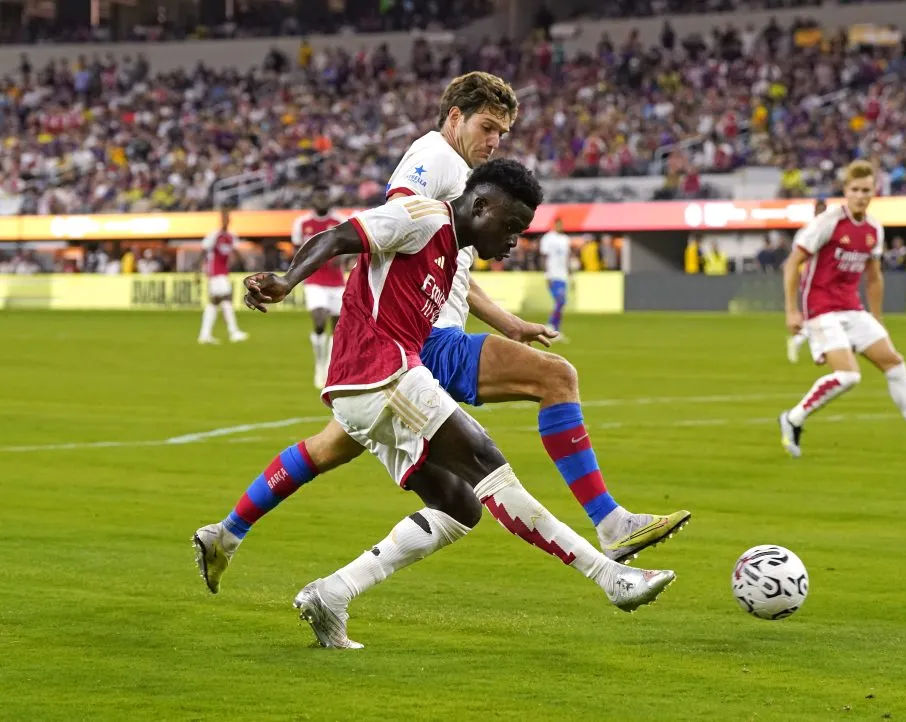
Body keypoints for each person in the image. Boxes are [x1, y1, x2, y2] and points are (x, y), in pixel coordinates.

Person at [192, 72, 688, 595]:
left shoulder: (460, 187)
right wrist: (294, 280)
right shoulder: (437, 159)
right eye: (487, 127)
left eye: (502, 133)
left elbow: (447, 257)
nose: (494, 141)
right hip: (420, 340)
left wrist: (506, 322)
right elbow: (398, 222)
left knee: (360, 459)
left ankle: (239, 538)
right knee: (552, 383)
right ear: (455, 117)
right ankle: (610, 531)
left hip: (403, 344)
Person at [229, 160, 677, 648]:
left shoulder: (449, 256)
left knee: (459, 506)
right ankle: (611, 576)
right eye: (510, 226)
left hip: (379, 382)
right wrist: (287, 280)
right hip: (379, 376)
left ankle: (332, 593)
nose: (513, 241)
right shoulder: (421, 217)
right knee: (487, 462)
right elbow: (339, 235)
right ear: (480, 205)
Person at [777, 161, 906, 458]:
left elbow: (874, 277)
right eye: (855, 190)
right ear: (845, 191)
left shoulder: (874, 228)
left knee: (894, 363)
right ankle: (793, 418)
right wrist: (791, 310)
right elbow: (791, 264)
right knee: (849, 376)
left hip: (852, 308)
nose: (861, 196)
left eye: (866, 190)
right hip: (821, 309)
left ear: (874, 191)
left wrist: (877, 319)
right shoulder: (828, 223)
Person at [292, 184, 346, 386]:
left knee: (338, 328)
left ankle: (329, 368)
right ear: (313, 199)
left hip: (336, 282)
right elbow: (297, 253)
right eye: (318, 196)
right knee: (319, 317)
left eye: (325, 196)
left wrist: (342, 257)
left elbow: (351, 247)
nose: (322, 200)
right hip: (313, 280)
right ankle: (319, 366)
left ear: (329, 198)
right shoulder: (302, 223)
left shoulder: (340, 221)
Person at [197, 207, 248, 344]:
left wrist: (243, 262)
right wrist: (197, 270)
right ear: (221, 219)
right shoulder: (214, 235)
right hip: (214, 272)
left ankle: (205, 334)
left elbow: (235, 251)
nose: (226, 220)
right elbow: (203, 251)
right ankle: (233, 332)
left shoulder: (231, 236)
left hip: (223, 272)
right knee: (225, 298)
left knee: (216, 302)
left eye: (228, 218)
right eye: (224, 218)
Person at [786, 198, 827, 363]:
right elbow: (795, 258)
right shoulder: (806, 232)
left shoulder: (831, 230)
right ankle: (817, 350)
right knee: (817, 313)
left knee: (823, 313)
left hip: (826, 278)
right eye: (819, 210)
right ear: (815, 212)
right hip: (808, 277)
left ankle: (805, 343)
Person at [538, 217, 571, 335]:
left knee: (561, 303)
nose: (560, 227)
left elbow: (567, 258)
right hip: (553, 275)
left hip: (563, 275)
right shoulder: (548, 238)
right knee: (560, 301)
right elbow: (544, 257)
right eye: (558, 224)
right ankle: (551, 325)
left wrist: (569, 273)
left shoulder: (565, 239)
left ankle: (556, 329)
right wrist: (547, 275)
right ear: (554, 225)